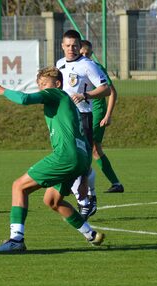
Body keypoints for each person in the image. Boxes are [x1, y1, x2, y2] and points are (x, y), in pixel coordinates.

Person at [0, 66, 105, 253]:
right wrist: (83, 176)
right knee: (53, 201)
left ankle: (16, 239)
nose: (42, 88)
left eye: (45, 84)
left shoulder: (56, 94)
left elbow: (24, 99)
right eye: (39, 84)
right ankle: (91, 234)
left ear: (57, 84)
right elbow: (83, 139)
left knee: (19, 186)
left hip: (65, 157)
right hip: (80, 159)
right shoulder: (69, 106)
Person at [56, 29, 111, 220]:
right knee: (70, 159)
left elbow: (105, 89)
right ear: (62, 46)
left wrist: (85, 95)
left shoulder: (87, 65)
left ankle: (87, 200)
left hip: (83, 118)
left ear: (80, 47)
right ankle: (88, 198)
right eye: (68, 45)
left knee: (82, 161)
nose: (71, 49)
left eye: (75, 46)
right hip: (64, 119)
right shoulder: (60, 64)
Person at [80, 40, 124, 193]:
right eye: (82, 53)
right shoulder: (75, 68)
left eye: (88, 53)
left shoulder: (96, 67)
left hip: (96, 113)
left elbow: (112, 92)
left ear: (92, 53)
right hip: (83, 112)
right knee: (92, 149)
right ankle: (115, 184)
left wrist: (108, 115)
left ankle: (83, 185)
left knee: (91, 148)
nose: (85, 56)